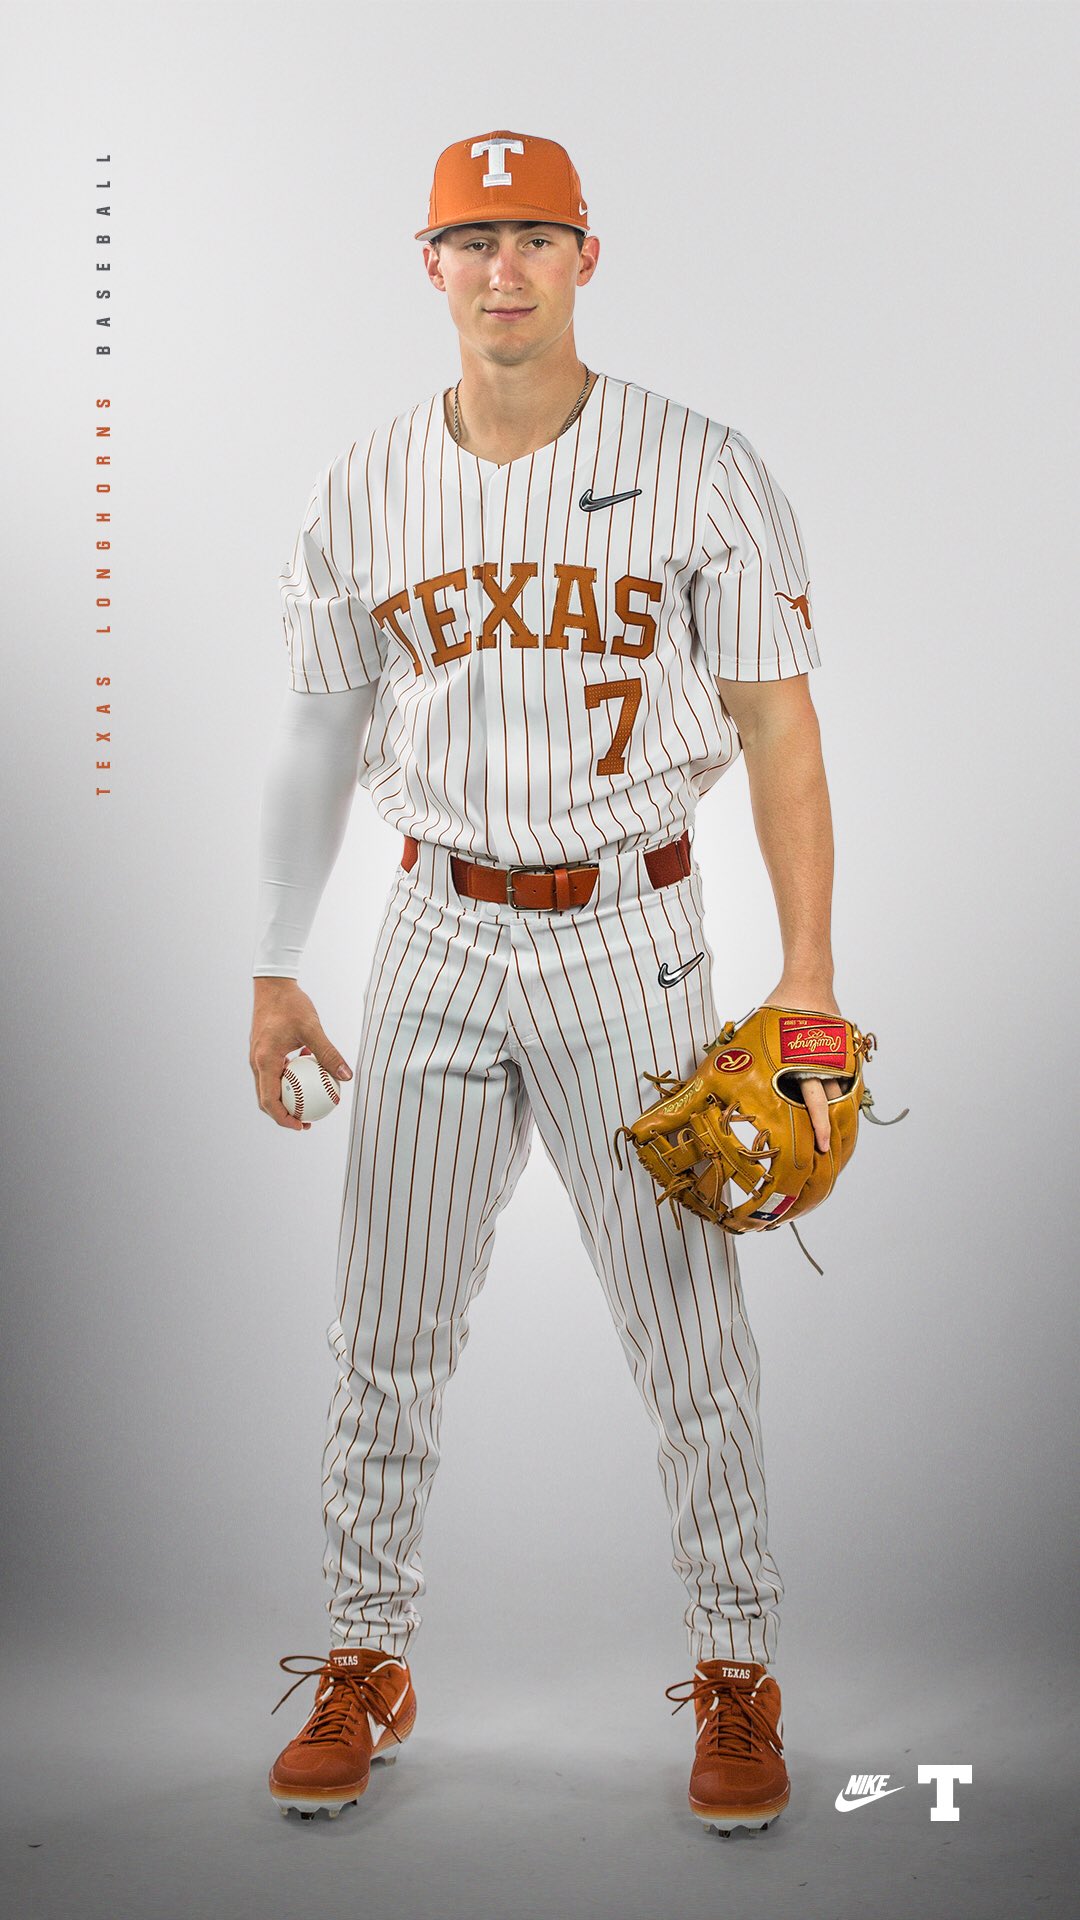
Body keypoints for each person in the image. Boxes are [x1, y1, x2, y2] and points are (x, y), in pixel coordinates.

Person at [249, 129, 842, 1836]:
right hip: (432, 931)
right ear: (426, 266)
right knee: (387, 1329)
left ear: (589, 256)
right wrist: (276, 960)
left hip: (632, 938)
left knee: (688, 1338)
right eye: (473, 238)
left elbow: (779, 728)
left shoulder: (702, 466)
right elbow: (315, 730)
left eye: (535, 236)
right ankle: (367, 1655)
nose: (503, 268)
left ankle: (738, 1672)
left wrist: (804, 982)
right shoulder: (359, 485)